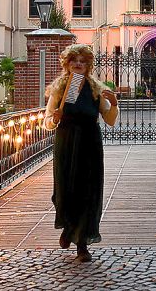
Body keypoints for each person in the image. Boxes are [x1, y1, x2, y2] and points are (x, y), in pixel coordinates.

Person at [44, 44, 118, 262]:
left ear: (88, 65)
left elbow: (110, 119)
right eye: (74, 60)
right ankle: (68, 228)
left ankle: (82, 243)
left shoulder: (95, 88)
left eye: (83, 61)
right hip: (66, 141)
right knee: (65, 190)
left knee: (87, 190)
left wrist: (113, 104)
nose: (78, 64)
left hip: (89, 142)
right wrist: (54, 119)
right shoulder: (59, 88)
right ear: (67, 64)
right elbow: (47, 120)